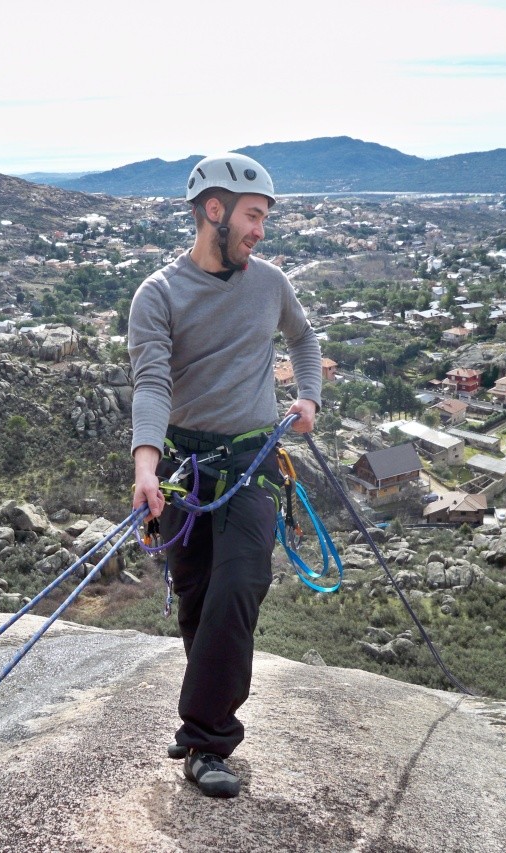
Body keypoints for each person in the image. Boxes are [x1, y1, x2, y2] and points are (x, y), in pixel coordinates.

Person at [128, 152, 322, 798]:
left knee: (240, 580)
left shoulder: (269, 283)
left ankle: (208, 740)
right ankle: (205, 719)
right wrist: (147, 465)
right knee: (196, 599)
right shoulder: (157, 295)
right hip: (184, 464)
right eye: (253, 217)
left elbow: (305, 338)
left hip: (252, 459)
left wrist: (309, 398)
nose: (261, 230)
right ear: (213, 210)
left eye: (263, 218)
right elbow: (152, 384)